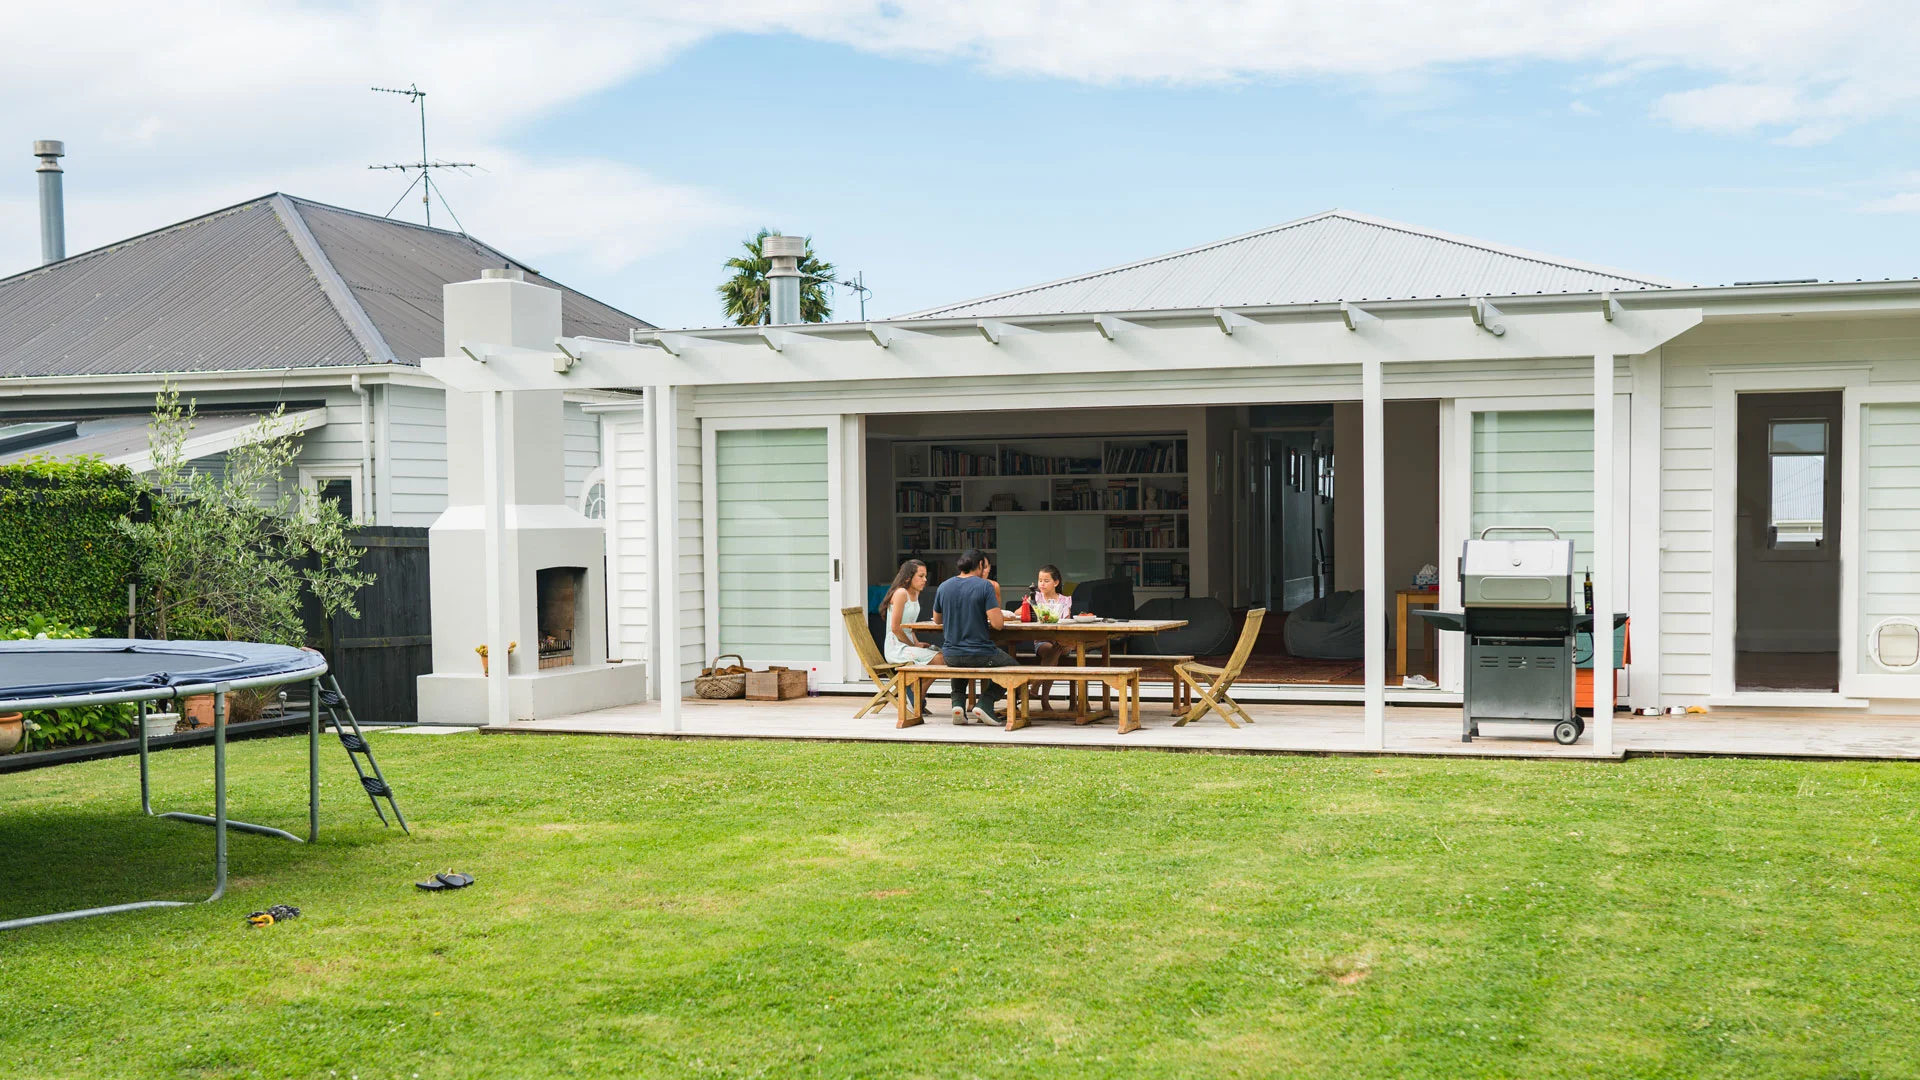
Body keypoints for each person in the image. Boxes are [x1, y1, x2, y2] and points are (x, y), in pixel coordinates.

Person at [931, 548, 1014, 725]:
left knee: (960, 661)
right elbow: (998, 624)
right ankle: (985, 702)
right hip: (980, 653)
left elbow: (937, 620)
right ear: (980, 565)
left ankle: (958, 704)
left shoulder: (944, 586)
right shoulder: (985, 586)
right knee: (1014, 669)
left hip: (951, 655)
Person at [882, 559, 942, 668]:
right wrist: (914, 645)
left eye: (925, 576)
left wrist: (917, 644)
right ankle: (912, 686)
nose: (925, 580)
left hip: (908, 646)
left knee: (943, 656)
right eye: (921, 576)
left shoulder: (915, 593)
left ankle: (914, 686)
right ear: (908, 577)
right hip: (897, 648)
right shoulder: (901, 593)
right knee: (940, 659)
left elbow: (910, 627)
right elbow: (895, 628)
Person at [1028, 565, 1073, 709]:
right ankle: (1044, 700)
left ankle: (1035, 685)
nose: (1042, 584)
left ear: (1056, 582)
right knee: (1054, 650)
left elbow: (1067, 620)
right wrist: (1028, 605)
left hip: (1063, 641)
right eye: (1040, 580)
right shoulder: (1035, 598)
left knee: (1058, 647)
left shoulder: (1065, 600)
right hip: (1043, 641)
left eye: (1046, 580)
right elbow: (1020, 612)